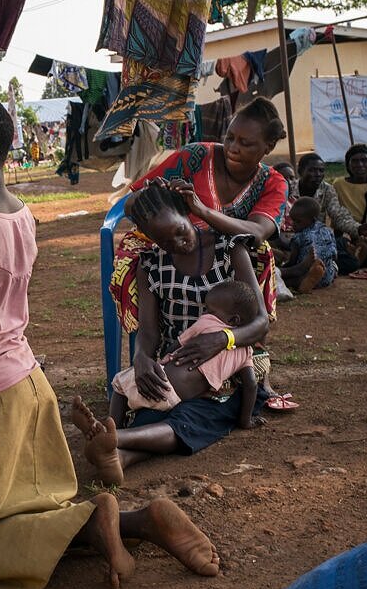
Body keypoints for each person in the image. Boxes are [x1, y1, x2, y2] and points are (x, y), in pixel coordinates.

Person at [0, 94, 221, 589]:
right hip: (24, 384)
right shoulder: (18, 216)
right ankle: (139, 523)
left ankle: (105, 520)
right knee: (32, 510)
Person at [76, 179, 273, 485]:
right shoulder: (151, 264)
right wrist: (141, 357)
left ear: (187, 213)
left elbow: (260, 322)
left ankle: (117, 443)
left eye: (180, 232)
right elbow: (150, 331)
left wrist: (222, 339)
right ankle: (119, 453)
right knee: (154, 406)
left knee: (196, 417)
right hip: (175, 366)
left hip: (224, 373)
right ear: (150, 239)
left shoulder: (227, 248)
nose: (178, 244)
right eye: (165, 242)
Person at [117, 98, 289, 328]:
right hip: (174, 249)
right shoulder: (194, 157)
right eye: (229, 138)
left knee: (259, 253)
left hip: (228, 261)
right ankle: (150, 337)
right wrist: (155, 196)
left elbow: (257, 233)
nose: (233, 148)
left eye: (245, 143)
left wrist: (202, 211)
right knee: (135, 256)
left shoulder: (273, 183)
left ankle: (245, 333)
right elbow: (130, 204)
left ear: (267, 148)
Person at [110, 278, 263, 435]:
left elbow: (176, 345)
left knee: (119, 386)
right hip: (178, 400)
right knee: (149, 419)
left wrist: (163, 358)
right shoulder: (246, 352)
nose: (205, 313)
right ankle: (125, 433)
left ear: (233, 320)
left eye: (210, 310)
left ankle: (113, 427)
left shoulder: (206, 323)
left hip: (159, 380)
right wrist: (245, 420)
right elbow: (251, 384)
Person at [294, 152, 362, 273]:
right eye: (312, 170)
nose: (318, 175)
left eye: (321, 170)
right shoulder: (288, 189)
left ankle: (314, 266)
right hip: (291, 238)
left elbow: (338, 215)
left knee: (352, 262)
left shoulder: (326, 189)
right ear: (300, 171)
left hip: (317, 239)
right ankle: (320, 266)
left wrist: (358, 229)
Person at [279, 197, 336, 292]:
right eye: (292, 220)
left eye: (298, 221)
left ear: (312, 220)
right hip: (327, 276)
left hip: (303, 274)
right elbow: (334, 255)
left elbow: (292, 262)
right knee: (332, 266)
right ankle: (318, 275)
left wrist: (282, 269)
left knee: (284, 278)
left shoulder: (298, 237)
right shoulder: (328, 231)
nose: (293, 224)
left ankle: (302, 282)